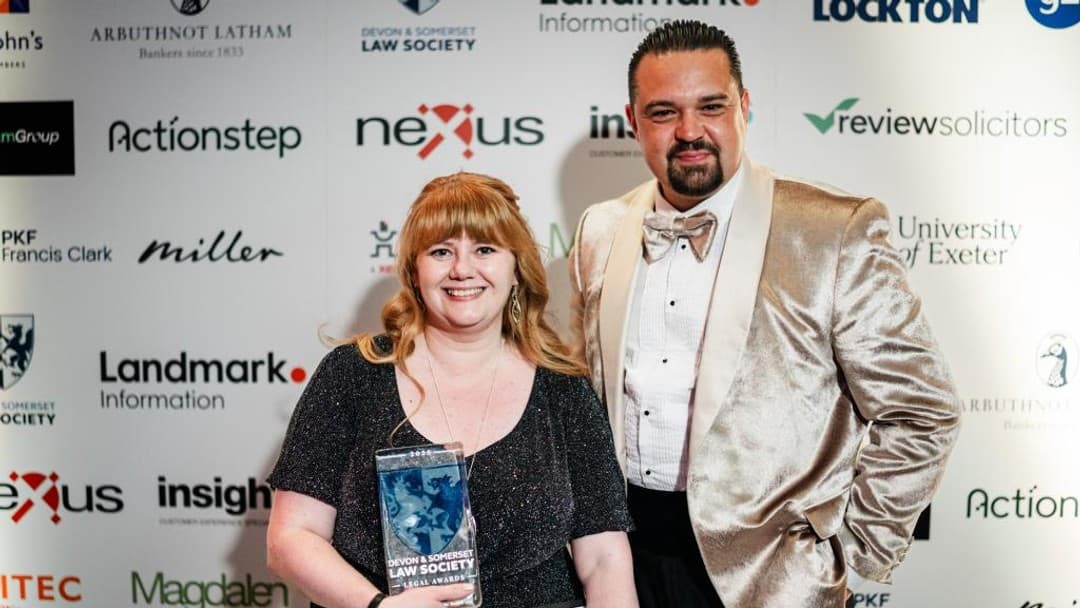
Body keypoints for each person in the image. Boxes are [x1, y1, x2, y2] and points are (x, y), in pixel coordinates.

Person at [568, 20, 961, 608]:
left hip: (771, 576)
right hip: (623, 567)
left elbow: (921, 409)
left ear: (744, 107)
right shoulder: (601, 229)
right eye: (663, 112)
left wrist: (852, 551)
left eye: (711, 106)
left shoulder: (832, 230)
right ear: (632, 121)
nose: (689, 131)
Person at [268, 172, 637, 608]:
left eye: (485, 250)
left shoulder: (564, 390)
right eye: (441, 252)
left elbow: (604, 561)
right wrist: (379, 607)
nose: (462, 270)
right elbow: (292, 536)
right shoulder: (353, 375)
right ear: (415, 270)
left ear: (516, 270)